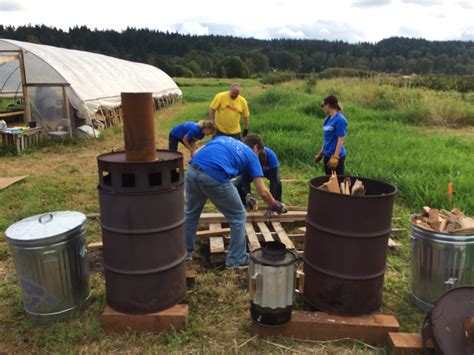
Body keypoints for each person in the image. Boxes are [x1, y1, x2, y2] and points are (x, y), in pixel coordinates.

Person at [184, 134, 286, 268]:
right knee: (238, 216)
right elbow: (263, 191)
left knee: (191, 213)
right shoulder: (251, 156)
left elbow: (196, 152)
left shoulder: (225, 139)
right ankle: (236, 260)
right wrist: (276, 205)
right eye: (259, 151)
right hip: (213, 176)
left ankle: (185, 253)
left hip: (192, 172)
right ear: (256, 147)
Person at [314, 95, 348, 175]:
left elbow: (340, 140)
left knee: (337, 182)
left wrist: (335, 157)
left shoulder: (340, 120)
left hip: (336, 156)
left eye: (323, 105)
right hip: (327, 154)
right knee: (328, 180)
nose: (322, 108)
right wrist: (321, 153)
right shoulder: (327, 120)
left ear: (328, 105)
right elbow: (326, 139)